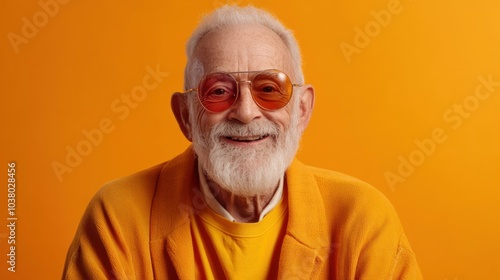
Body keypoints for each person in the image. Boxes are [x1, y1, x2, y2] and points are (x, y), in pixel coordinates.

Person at [63, 5, 422, 279]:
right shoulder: (118, 218)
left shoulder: (363, 219)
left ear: (301, 109)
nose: (246, 112)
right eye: (219, 91)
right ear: (186, 115)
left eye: (269, 89)